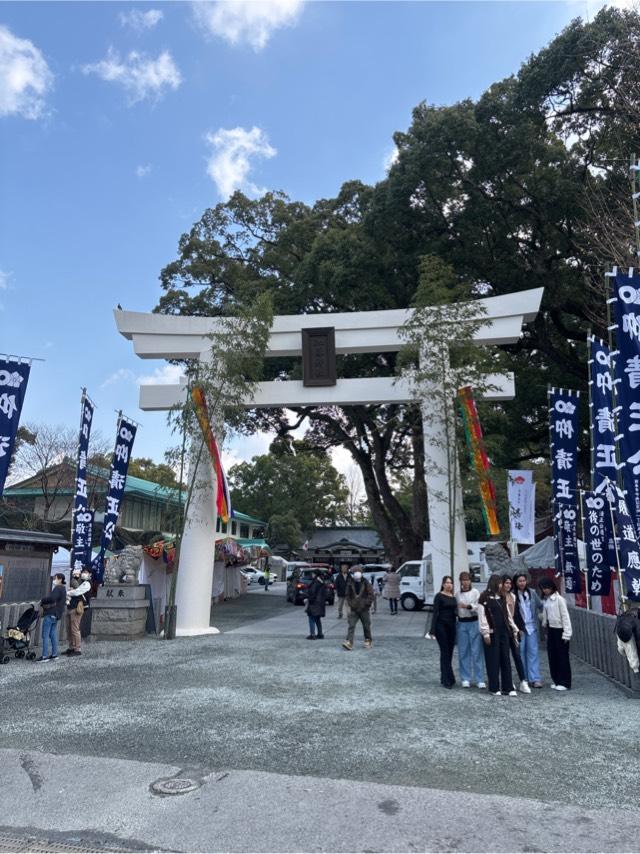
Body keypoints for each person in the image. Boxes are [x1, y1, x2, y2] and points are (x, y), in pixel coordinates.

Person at [478, 574, 519, 696]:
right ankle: (494, 687)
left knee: (505, 659)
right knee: (493, 660)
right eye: (500, 582)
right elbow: (482, 616)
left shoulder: (502, 597)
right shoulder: (484, 597)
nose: (501, 585)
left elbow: (508, 615)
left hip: (504, 632)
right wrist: (485, 633)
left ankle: (508, 687)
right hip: (491, 632)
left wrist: (514, 628)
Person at [539, 578, 573, 690]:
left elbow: (565, 616)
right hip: (551, 629)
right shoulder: (547, 600)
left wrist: (567, 633)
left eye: (547, 588)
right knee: (552, 656)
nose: (545, 590)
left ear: (552, 587)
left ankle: (565, 682)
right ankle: (557, 680)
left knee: (562, 656)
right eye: (543, 588)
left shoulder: (559, 599)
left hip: (560, 629)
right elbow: (545, 615)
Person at [501, 574, 531, 694]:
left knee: (517, 656)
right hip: (503, 630)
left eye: (509, 583)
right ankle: (509, 682)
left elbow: (517, 614)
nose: (508, 585)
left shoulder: (513, 596)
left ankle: (523, 681)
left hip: (514, 630)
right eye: (506, 583)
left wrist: (521, 628)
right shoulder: (499, 597)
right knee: (505, 657)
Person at [426, 576, 458, 688]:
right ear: (443, 584)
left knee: (449, 653)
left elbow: (455, 612)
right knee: (444, 652)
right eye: (447, 582)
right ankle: (447, 679)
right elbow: (435, 613)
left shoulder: (453, 597)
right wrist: (432, 630)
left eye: (451, 583)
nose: (449, 585)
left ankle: (446, 676)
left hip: (452, 626)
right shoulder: (439, 596)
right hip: (441, 626)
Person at [513, 572, 544, 688]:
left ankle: (535, 678)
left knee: (533, 652)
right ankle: (524, 677)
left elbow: (540, 605)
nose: (522, 583)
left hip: (532, 626)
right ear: (515, 582)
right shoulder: (512, 595)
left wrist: (541, 617)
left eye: (523, 581)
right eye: (519, 581)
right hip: (519, 628)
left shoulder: (532, 593)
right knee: (520, 653)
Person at [456, 571, 486, 689]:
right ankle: (465, 678)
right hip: (462, 623)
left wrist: (468, 607)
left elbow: (478, 607)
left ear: (470, 581)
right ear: (460, 581)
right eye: (463, 580)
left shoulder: (475, 592)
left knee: (477, 651)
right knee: (463, 651)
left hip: (473, 622)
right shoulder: (457, 594)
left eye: (467, 579)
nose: (465, 582)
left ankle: (480, 679)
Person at [342, 565, 374, 650]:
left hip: (364, 608)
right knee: (351, 625)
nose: (353, 574)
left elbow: (371, 594)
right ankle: (349, 642)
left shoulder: (366, 582)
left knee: (366, 625)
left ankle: (368, 640)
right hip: (354, 608)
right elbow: (347, 595)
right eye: (352, 573)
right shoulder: (350, 582)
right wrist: (351, 603)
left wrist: (366, 603)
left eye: (354, 573)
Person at [37, 573, 67, 662]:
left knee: (45, 635)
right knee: (53, 634)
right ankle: (54, 655)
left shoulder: (58, 588)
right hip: (57, 615)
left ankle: (44, 656)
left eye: (55, 578)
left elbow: (52, 598)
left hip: (50, 613)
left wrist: (43, 600)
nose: (54, 580)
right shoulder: (63, 589)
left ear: (60, 579)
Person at [64, 568, 92, 656]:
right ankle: (71, 647)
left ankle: (77, 649)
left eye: (86, 572)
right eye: (83, 572)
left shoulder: (87, 583)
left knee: (75, 629)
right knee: (69, 629)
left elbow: (77, 592)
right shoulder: (80, 582)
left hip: (77, 608)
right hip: (70, 606)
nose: (84, 574)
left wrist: (69, 592)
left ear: (90, 574)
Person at [304, 569, 326, 639]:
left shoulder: (315, 582)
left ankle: (312, 634)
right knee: (317, 619)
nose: (312, 575)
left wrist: (308, 599)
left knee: (311, 618)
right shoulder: (321, 581)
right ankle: (320, 633)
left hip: (314, 603)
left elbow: (313, 593)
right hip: (320, 603)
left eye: (313, 574)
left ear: (316, 574)